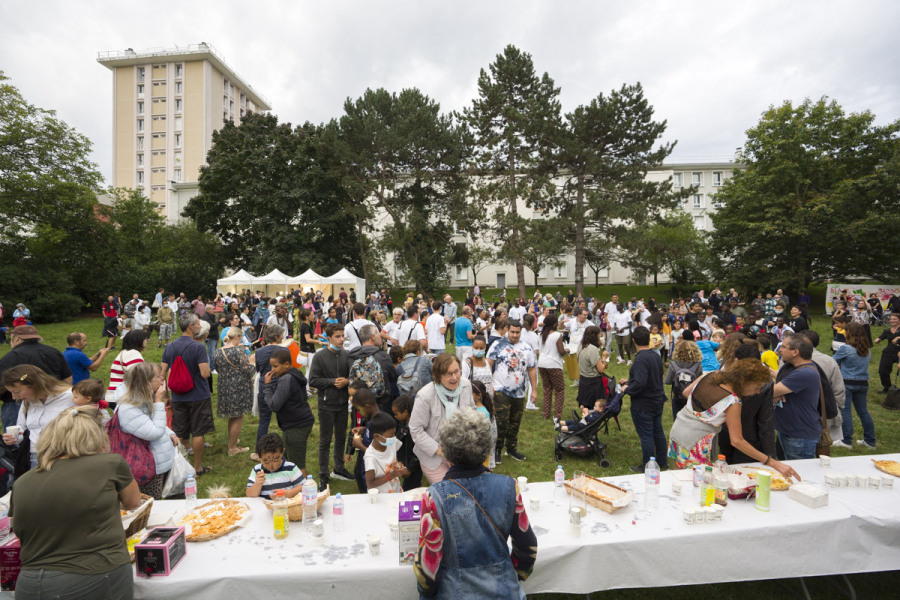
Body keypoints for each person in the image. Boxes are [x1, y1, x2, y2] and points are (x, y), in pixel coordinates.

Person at [10, 406, 140, 599]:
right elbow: (133, 502)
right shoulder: (110, 464)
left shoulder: (22, 481)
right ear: (96, 438)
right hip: (95, 574)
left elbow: (17, 528)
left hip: (29, 582)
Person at [414, 408, 537, 599]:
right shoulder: (509, 487)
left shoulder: (433, 497)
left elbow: (428, 572)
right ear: (487, 449)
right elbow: (527, 548)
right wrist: (514, 574)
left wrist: (427, 594)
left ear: (446, 452)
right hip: (504, 590)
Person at [670, 358, 800, 480]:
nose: (758, 392)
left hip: (678, 430)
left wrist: (708, 414)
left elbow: (686, 393)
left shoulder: (710, 375)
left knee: (679, 474)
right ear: (743, 382)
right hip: (695, 442)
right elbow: (737, 441)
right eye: (756, 387)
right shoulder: (732, 402)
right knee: (693, 481)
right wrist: (771, 462)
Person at [115, 362, 179, 499]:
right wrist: (158, 401)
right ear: (146, 382)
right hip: (149, 467)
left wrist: (170, 433)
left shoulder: (143, 399)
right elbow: (153, 432)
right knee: (153, 506)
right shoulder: (128, 408)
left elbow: (153, 421)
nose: (162, 379)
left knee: (173, 500)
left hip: (162, 460)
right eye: (158, 376)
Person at [161, 314, 214, 476]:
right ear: (190, 326)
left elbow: (162, 374)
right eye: (197, 324)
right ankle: (197, 467)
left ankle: (181, 465)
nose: (199, 326)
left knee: (180, 431)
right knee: (198, 431)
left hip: (177, 395)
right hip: (198, 395)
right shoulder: (198, 347)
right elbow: (205, 373)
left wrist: (166, 396)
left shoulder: (169, 347)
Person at [410, 353, 476, 483]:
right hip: (435, 456)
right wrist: (443, 452)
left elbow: (472, 411)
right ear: (437, 376)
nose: (454, 377)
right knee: (448, 491)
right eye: (448, 374)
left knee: (467, 488)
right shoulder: (425, 396)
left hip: (461, 451)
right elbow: (416, 431)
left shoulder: (466, 385)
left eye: (457, 371)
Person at [308, 323, 355, 490]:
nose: (342, 339)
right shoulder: (319, 356)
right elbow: (312, 381)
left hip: (343, 405)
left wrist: (347, 381)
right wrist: (332, 382)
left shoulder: (346, 355)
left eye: (343, 336)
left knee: (341, 436)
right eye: (337, 336)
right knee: (325, 439)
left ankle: (339, 468)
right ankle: (323, 474)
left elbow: (353, 376)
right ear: (328, 338)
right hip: (326, 405)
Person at [1, 365, 76, 470]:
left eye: (17, 392)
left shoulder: (70, 396)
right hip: (36, 459)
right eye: (11, 393)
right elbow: (22, 428)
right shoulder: (27, 402)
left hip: (66, 458)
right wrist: (14, 438)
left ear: (34, 385)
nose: (14, 397)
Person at [0, 325, 72, 429]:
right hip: (54, 399)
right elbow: (68, 378)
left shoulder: (12, 356)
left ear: (15, 338)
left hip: (16, 404)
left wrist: (15, 392)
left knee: (16, 439)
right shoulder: (53, 352)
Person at [486, 319, 538, 463]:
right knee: (501, 422)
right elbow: (488, 364)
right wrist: (489, 383)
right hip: (501, 389)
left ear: (521, 331)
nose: (515, 335)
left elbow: (532, 369)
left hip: (520, 392)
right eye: (512, 332)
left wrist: (534, 390)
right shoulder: (498, 345)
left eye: (517, 332)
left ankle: (511, 448)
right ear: (507, 330)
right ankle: (497, 449)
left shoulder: (527, 348)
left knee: (515, 422)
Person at [619, 326, 669, 473]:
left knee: (647, 435)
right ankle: (662, 462)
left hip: (644, 403)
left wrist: (627, 389)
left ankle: (648, 465)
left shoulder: (641, 359)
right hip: (657, 400)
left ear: (633, 340)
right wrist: (629, 381)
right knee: (658, 431)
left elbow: (641, 383)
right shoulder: (655, 355)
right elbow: (650, 377)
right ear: (649, 339)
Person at [717, 344, 777, 465]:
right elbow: (765, 420)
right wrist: (770, 455)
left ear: (736, 360)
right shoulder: (765, 382)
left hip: (728, 431)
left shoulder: (723, 375)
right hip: (745, 435)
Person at [262, 348, 316, 477]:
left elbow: (274, 405)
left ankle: (304, 492)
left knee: (297, 465)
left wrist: (267, 386)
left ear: (286, 364)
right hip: (298, 422)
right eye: (271, 366)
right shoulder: (295, 374)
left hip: (296, 425)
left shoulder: (285, 380)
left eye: (275, 366)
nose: (272, 369)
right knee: (288, 458)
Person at [772, 334, 824, 460]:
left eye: (784, 347)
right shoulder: (797, 369)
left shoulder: (804, 373)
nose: (780, 350)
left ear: (795, 352)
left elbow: (770, 392)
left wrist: (774, 393)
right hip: (792, 431)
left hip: (799, 436)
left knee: (800, 475)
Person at [798, 329, 846, 446]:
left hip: (802, 412)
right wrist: (835, 408)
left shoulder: (790, 360)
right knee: (822, 444)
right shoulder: (829, 360)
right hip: (824, 410)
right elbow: (839, 388)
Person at [832, 323, 875, 449]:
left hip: (847, 382)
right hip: (862, 383)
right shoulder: (867, 349)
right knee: (863, 411)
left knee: (846, 412)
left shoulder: (845, 348)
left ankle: (846, 441)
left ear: (849, 333)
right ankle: (870, 441)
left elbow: (833, 362)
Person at [215, 327, 256, 456]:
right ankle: (232, 448)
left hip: (224, 386)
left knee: (232, 416)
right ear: (237, 337)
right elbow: (248, 370)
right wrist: (253, 363)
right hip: (239, 386)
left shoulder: (217, 351)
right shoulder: (238, 350)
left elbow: (216, 368)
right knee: (238, 416)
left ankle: (232, 442)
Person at [348, 324, 397, 413]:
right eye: (378, 334)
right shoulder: (383, 357)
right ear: (373, 337)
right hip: (380, 405)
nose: (380, 336)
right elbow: (393, 376)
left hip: (359, 405)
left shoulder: (352, 356)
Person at [246, 433, 306, 499]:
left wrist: (288, 493)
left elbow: (303, 487)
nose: (272, 465)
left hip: (286, 506)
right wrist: (257, 484)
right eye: (266, 461)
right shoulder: (257, 470)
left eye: (276, 459)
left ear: (282, 452)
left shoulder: (291, 468)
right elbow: (249, 494)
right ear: (259, 456)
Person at [253, 325, 284, 451]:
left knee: (264, 419)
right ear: (276, 337)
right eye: (282, 334)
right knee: (284, 415)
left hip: (264, 382)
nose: (283, 337)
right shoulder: (284, 351)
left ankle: (259, 449)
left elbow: (258, 369)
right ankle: (286, 444)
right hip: (280, 383)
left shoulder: (259, 352)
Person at [363, 412, 403, 493]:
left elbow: (394, 459)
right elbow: (370, 484)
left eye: (394, 434)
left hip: (396, 490)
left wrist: (398, 465)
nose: (394, 437)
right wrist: (392, 475)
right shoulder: (370, 458)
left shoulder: (392, 442)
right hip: (381, 497)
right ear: (377, 436)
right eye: (390, 435)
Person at [105, 330, 147, 408]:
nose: (146, 341)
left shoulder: (124, 352)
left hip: (114, 395)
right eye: (145, 339)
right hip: (123, 396)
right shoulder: (133, 353)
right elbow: (139, 376)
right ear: (139, 341)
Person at [537, 314, 566, 420]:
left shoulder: (540, 334)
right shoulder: (557, 335)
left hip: (542, 364)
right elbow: (561, 351)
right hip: (554, 365)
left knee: (547, 389)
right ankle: (557, 415)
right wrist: (566, 350)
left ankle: (546, 413)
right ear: (554, 324)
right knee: (559, 390)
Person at [664, 340, 703, 419]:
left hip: (678, 396)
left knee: (677, 419)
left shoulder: (673, 364)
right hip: (692, 398)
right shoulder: (698, 365)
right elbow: (700, 382)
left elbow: (667, 381)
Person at [392, 394, 422, 491]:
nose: (395, 416)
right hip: (407, 463)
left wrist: (409, 469)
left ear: (405, 412)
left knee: (410, 490)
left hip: (414, 467)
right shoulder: (403, 424)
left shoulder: (414, 428)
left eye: (396, 414)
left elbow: (418, 450)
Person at [872, 313, 900, 393]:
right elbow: (880, 337)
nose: (892, 320)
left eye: (894, 319)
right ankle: (887, 388)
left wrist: (898, 337)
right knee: (883, 371)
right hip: (889, 351)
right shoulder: (887, 331)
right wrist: (878, 340)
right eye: (891, 319)